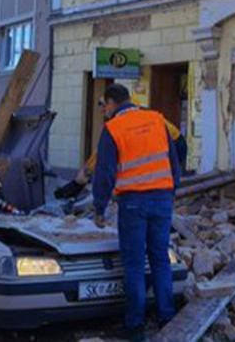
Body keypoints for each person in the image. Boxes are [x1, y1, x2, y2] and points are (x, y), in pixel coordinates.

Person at [92, 84, 180, 341]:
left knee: (133, 264)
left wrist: (99, 207)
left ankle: (135, 325)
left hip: (133, 202)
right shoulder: (156, 119)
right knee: (160, 259)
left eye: (104, 106)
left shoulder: (113, 129)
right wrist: (170, 192)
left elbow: (105, 172)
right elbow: (173, 161)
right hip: (162, 198)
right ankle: (166, 316)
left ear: (111, 103)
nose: (104, 111)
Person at [54, 111, 186, 200]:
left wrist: (85, 173)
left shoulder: (123, 122)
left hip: (175, 143)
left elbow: (102, 152)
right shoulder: (138, 114)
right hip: (175, 140)